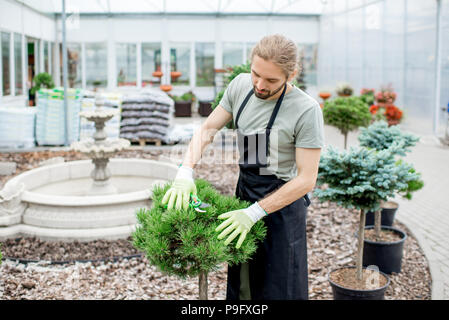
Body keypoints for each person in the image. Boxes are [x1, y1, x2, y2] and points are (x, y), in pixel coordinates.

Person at [162, 34, 324, 300]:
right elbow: (208, 129)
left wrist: (255, 213)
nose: (259, 85)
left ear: (291, 74)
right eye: (255, 74)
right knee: (243, 286)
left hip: (282, 205)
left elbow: (306, 180)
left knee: (279, 286)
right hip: (246, 191)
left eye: (271, 80)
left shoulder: (306, 111)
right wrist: (185, 170)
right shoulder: (240, 86)